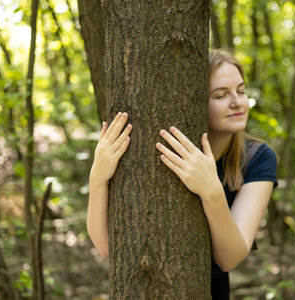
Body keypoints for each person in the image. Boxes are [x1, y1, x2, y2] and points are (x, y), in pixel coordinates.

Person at [87, 49, 278, 299]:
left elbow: (230, 259)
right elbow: (105, 247)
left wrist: (211, 191)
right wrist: (97, 178)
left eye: (241, 91)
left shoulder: (258, 158)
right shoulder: (154, 154)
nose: (237, 102)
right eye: (221, 95)